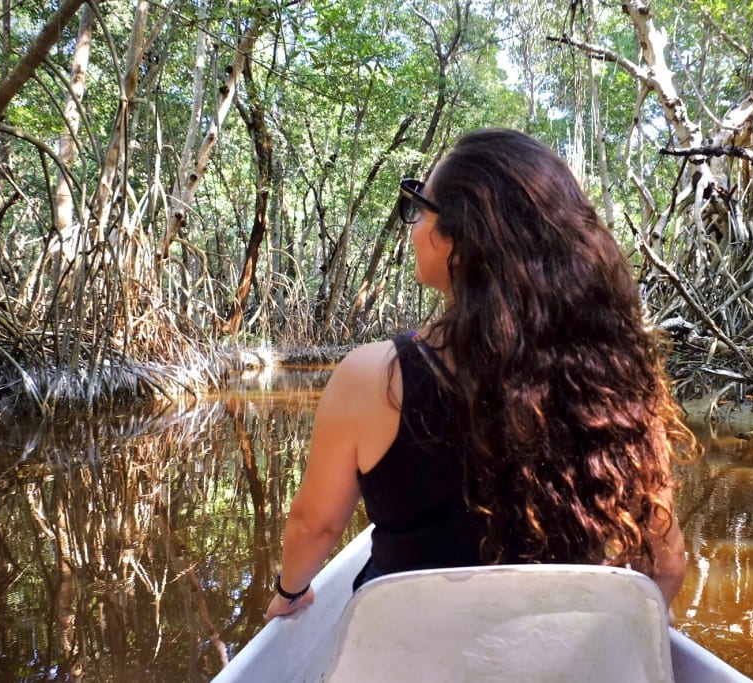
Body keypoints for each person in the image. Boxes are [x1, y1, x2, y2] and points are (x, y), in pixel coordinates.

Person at [265, 128, 696, 622]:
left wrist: (290, 590)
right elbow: (667, 566)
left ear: (462, 243)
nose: (413, 227)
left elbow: (314, 526)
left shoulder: (371, 377)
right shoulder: (612, 380)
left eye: (420, 208)